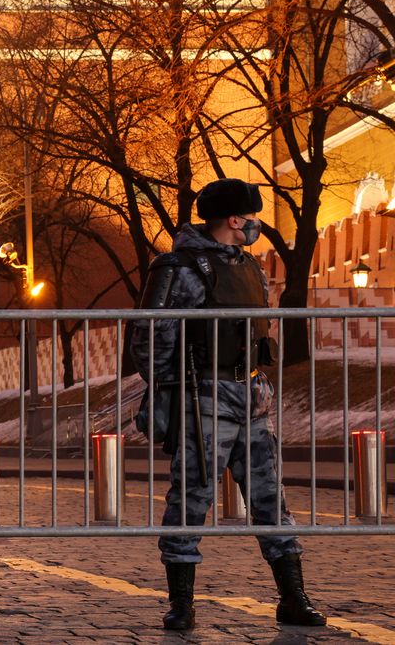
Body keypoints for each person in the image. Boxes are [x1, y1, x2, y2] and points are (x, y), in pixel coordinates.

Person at [130, 178, 326, 631]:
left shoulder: (249, 265)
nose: (257, 224)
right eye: (252, 216)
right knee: (191, 500)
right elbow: (150, 339)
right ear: (235, 220)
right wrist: (176, 389)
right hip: (204, 399)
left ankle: (293, 598)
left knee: (270, 499)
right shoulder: (178, 267)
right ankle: (182, 604)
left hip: (252, 398)